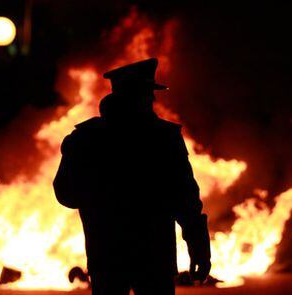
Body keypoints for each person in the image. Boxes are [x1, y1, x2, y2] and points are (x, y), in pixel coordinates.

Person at [53, 58, 211, 295]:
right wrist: (198, 248)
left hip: (106, 257)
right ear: (142, 96)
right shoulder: (164, 138)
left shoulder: (85, 138)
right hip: (154, 258)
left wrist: (98, 195)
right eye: (149, 93)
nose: (152, 99)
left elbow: (66, 194)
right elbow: (185, 198)